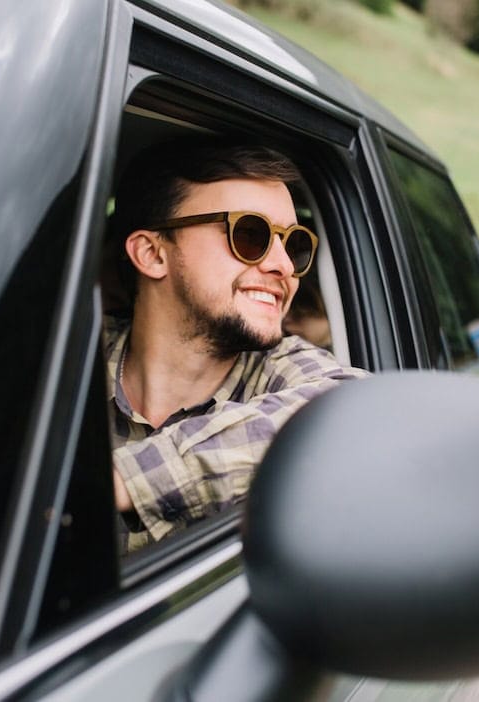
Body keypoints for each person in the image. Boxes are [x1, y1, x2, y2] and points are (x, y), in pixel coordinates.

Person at [106, 137, 367, 552]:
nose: (284, 266)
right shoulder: (62, 361)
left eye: (294, 244)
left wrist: (121, 481)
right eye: (250, 234)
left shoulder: (284, 373)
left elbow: (361, 411)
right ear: (152, 253)